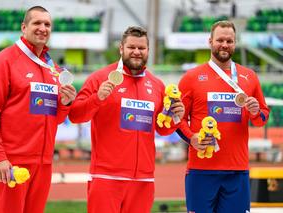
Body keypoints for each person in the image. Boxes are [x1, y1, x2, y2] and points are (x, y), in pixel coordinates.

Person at [68, 26, 185, 213]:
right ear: (121, 48)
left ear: (148, 50)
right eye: (131, 47)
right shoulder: (100, 78)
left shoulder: (156, 85)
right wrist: (97, 98)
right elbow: (75, 115)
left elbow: (161, 129)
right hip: (107, 177)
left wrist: (175, 117)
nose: (137, 52)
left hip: (143, 180)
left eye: (142, 48)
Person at [0, 6, 76, 213]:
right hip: (11, 162)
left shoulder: (53, 70)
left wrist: (65, 104)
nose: (43, 28)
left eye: (47, 24)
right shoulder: (3, 61)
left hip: (43, 163)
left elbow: (55, 118)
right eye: (37, 23)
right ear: (24, 27)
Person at [177, 20, 270, 213]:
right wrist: (192, 139)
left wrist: (255, 111)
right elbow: (177, 119)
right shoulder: (191, 77)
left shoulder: (249, 76)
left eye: (229, 40)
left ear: (235, 43)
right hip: (201, 170)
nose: (225, 45)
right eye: (220, 40)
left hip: (237, 171)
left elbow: (261, 118)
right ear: (210, 41)